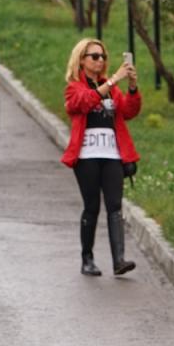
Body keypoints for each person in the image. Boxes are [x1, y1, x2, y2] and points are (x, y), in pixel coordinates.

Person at [62, 38, 142, 277]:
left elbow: (128, 111)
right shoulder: (74, 86)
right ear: (81, 60)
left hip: (112, 154)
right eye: (94, 56)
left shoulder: (113, 89)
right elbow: (82, 103)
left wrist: (133, 87)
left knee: (115, 206)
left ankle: (119, 260)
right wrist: (113, 80)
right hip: (86, 155)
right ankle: (87, 258)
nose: (100, 61)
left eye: (103, 57)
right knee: (92, 207)